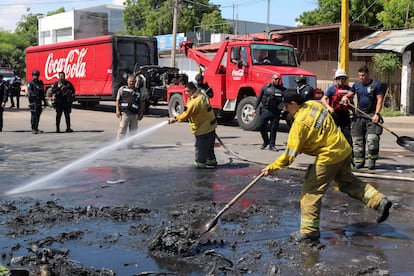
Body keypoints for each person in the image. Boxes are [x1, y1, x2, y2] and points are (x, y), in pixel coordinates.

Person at [262, 90, 392, 242]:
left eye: (286, 107)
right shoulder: (313, 105)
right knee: (347, 182)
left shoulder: (299, 125)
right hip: (342, 148)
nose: (285, 110)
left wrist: (270, 168)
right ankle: (379, 201)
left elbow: (289, 157)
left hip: (329, 156)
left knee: (311, 191)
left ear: (293, 104)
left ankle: (309, 231)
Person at [342, 66, 385, 170]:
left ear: (368, 74)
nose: (361, 77)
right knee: (357, 140)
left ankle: (372, 160)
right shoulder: (356, 85)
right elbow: (349, 94)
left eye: (363, 75)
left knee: (372, 139)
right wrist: (345, 97)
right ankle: (359, 161)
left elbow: (380, 100)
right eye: (360, 75)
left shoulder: (376, 85)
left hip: (372, 115)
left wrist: (377, 114)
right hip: (359, 116)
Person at [168, 82, 217, 169]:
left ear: (193, 90)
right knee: (209, 148)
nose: (186, 93)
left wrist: (174, 119)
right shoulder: (202, 94)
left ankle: (200, 168)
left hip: (202, 130)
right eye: (185, 91)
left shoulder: (194, 102)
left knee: (200, 150)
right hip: (211, 127)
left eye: (187, 91)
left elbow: (186, 115)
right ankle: (211, 161)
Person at [252, 73, 286, 151]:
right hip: (266, 110)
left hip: (276, 112)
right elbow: (259, 98)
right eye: (275, 79)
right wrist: (254, 108)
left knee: (273, 129)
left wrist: (280, 108)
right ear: (272, 79)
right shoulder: (265, 88)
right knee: (261, 126)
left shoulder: (282, 90)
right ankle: (265, 141)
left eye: (278, 79)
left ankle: (272, 145)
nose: (277, 81)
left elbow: (285, 101)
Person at [320, 69, 353, 146]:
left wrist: (354, 112)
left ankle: (349, 153)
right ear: (336, 79)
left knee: (347, 134)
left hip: (345, 115)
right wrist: (329, 107)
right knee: (331, 134)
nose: (341, 80)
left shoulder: (349, 89)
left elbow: (351, 102)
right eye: (339, 78)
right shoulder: (332, 89)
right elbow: (323, 99)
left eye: (343, 78)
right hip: (334, 114)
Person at [115, 75, 144, 148]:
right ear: (127, 81)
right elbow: (118, 100)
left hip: (134, 114)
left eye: (133, 81)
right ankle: (118, 144)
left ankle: (130, 145)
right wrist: (117, 110)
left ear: (135, 82)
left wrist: (141, 113)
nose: (131, 83)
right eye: (130, 81)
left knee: (133, 131)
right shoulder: (122, 89)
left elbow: (141, 102)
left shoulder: (138, 91)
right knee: (122, 130)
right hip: (125, 113)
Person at [27, 70, 46, 134]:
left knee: (38, 116)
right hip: (33, 102)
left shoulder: (40, 83)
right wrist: (36, 95)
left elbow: (42, 92)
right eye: (35, 75)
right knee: (33, 116)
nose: (36, 76)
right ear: (32, 76)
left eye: (37, 75)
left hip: (39, 102)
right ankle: (33, 128)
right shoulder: (30, 83)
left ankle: (36, 128)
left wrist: (44, 101)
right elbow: (30, 92)